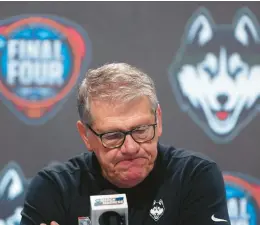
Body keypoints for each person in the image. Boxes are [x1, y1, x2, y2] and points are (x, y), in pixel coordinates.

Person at [20, 62, 231, 225]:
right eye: (113, 136)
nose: (130, 148)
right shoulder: (55, 189)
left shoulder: (194, 177)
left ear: (158, 120)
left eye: (141, 130)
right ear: (86, 135)